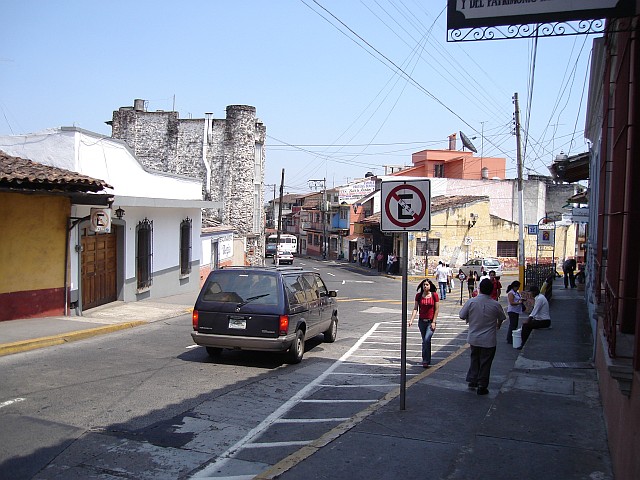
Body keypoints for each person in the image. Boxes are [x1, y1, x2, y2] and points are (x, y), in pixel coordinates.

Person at [459, 278, 506, 395]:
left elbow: (462, 315)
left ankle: (472, 380)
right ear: (491, 290)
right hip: (489, 339)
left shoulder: (471, 302)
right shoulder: (495, 304)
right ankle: (482, 385)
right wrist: (497, 325)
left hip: (474, 337)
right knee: (485, 363)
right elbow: (502, 318)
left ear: (479, 289)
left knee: (475, 359)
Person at [409, 279, 440, 368]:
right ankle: (426, 359)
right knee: (425, 341)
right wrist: (411, 320)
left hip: (430, 322)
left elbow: (437, 309)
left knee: (427, 339)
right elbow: (415, 308)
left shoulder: (434, 295)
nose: (425, 286)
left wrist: (434, 321)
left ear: (430, 286)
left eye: (427, 284)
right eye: (424, 285)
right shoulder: (419, 296)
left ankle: (426, 359)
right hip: (422, 321)